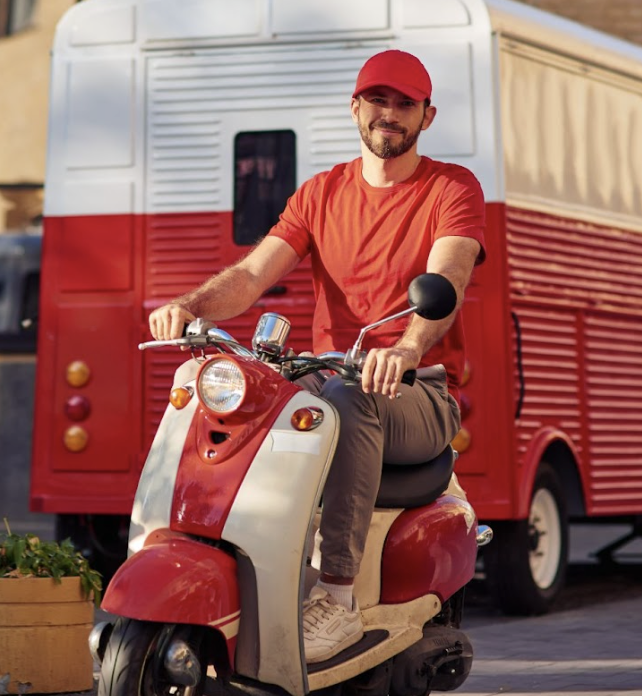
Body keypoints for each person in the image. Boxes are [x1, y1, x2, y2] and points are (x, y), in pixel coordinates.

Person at [148, 49, 486, 663]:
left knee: (349, 396)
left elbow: (449, 278)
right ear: (355, 107)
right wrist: (192, 308)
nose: (390, 114)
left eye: (405, 104)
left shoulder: (451, 188)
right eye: (378, 100)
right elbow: (252, 274)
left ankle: (336, 599)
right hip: (327, 383)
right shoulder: (321, 192)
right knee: (245, 401)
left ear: (426, 116)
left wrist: (406, 348)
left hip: (417, 393)